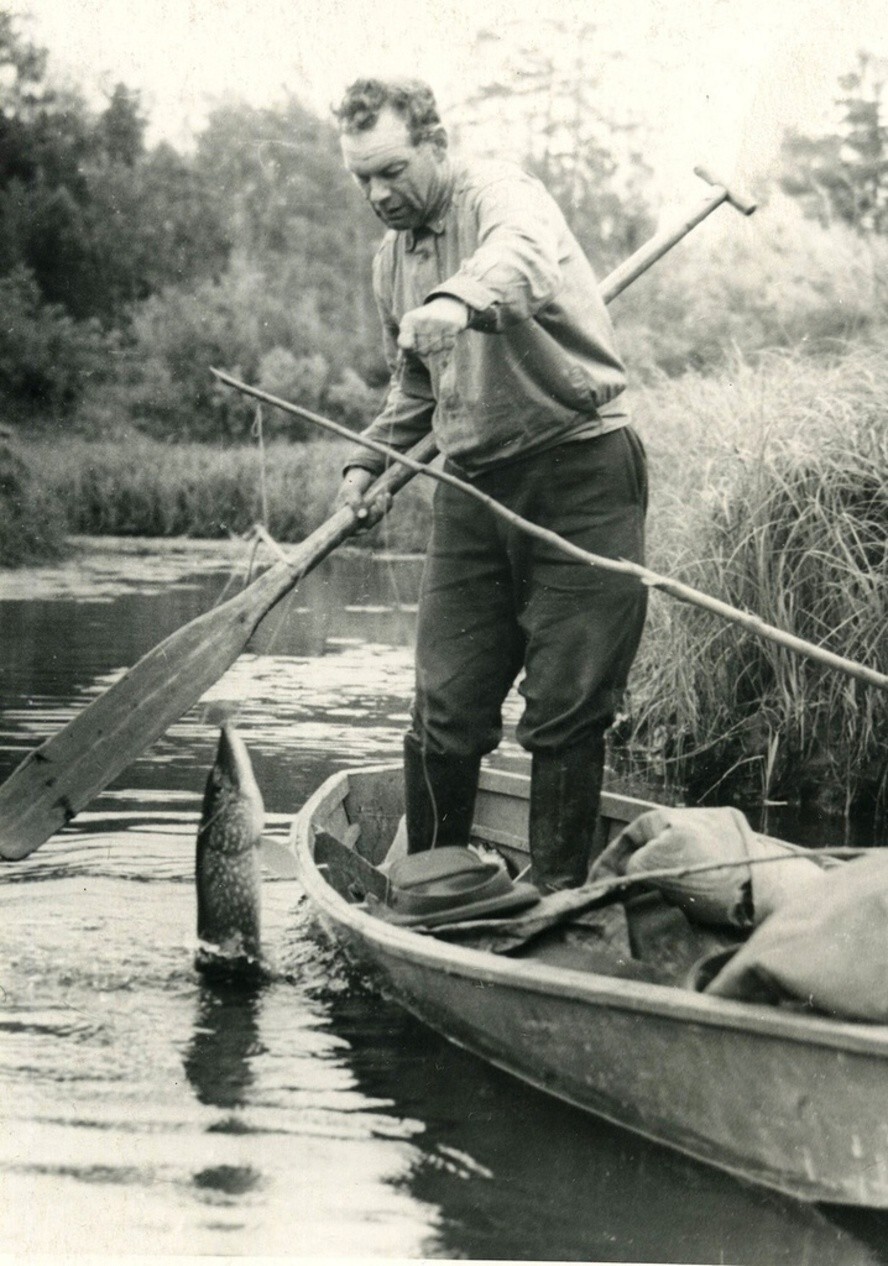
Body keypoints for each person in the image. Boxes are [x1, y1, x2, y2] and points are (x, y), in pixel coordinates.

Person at [333, 78, 647, 892]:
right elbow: (414, 390)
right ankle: (431, 889)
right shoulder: (388, 265)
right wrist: (367, 467)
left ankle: (556, 900)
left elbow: (520, 261)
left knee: (567, 707)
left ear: (437, 145)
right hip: (472, 493)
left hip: (579, 475)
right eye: (362, 178)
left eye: (393, 170)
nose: (378, 194)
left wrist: (460, 297)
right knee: (445, 703)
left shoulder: (502, 195)